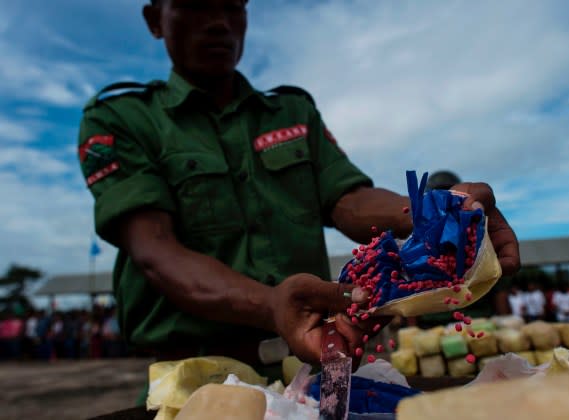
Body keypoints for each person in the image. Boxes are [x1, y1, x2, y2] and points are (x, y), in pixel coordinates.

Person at [76, 0, 520, 380]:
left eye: (232, 6)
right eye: (194, 5)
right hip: (194, 379)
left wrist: (436, 211)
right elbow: (156, 252)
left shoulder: (292, 110)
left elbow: (347, 200)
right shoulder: (123, 119)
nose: (217, 22)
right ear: (155, 20)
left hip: (312, 368)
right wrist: (273, 305)